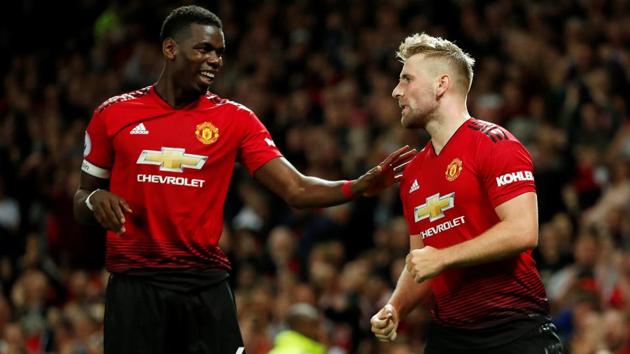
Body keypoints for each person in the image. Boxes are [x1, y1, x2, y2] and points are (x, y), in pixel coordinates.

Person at [72, 5, 415, 354]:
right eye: (204, 49)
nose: (215, 60)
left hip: (203, 287)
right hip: (135, 288)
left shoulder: (236, 120)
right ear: (170, 49)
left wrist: (356, 187)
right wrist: (92, 199)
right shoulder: (113, 114)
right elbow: (82, 198)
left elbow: (294, 188)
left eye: (219, 52)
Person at [370, 33, 563, 354]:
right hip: (449, 337)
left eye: (406, 79)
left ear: (441, 85)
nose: (396, 91)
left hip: (513, 329)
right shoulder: (413, 173)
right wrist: (396, 307)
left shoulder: (494, 143)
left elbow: (523, 231)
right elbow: (421, 262)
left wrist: (442, 257)